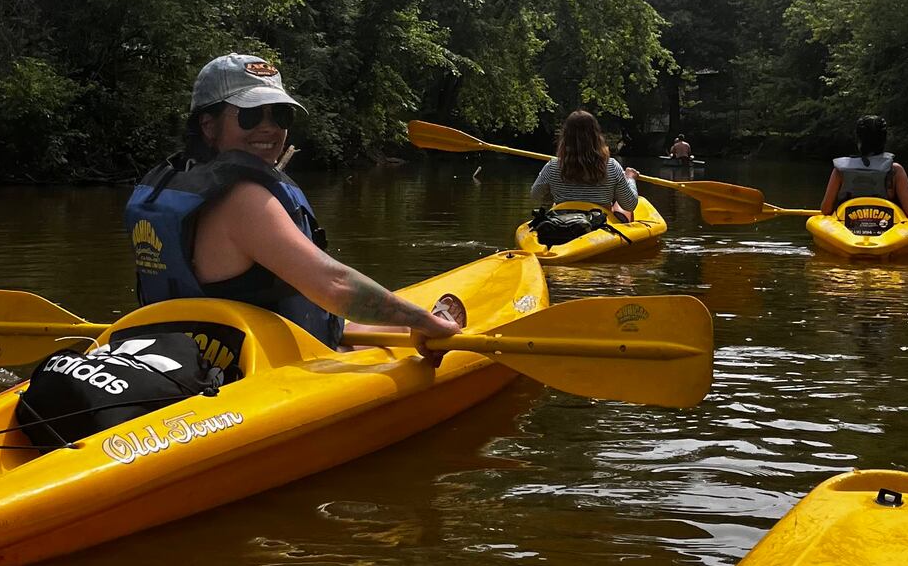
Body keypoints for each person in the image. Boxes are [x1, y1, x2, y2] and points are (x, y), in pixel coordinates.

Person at [124, 54, 462, 353]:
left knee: (357, 327)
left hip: (188, 351)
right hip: (258, 368)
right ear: (208, 124)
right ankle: (433, 319)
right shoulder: (242, 197)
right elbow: (335, 285)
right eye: (250, 116)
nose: (269, 128)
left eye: (280, 116)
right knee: (401, 325)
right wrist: (425, 324)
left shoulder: (170, 186)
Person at [529, 109, 641, 221]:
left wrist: (555, 192)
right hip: (599, 225)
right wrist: (630, 178)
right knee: (621, 207)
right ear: (596, 136)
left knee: (555, 206)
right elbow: (630, 205)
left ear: (565, 137)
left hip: (563, 222)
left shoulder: (553, 166)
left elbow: (535, 196)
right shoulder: (611, 165)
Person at [820, 114, 908, 218]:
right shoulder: (895, 170)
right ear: (884, 140)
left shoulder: (840, 170)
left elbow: (826, 209)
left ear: (859, 140)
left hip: (846, 226)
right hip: (886, 226)